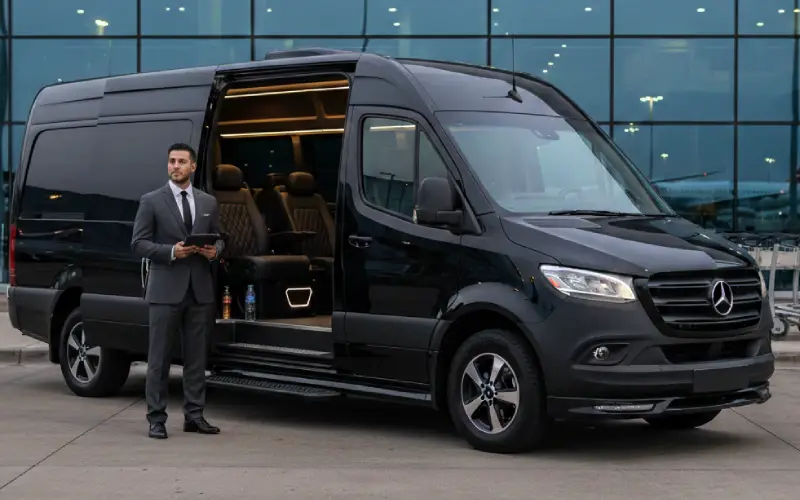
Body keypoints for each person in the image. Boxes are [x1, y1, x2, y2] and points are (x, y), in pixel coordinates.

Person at [131, 143, 225, 439]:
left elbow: (221, 238)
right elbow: (138, 244)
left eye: (182, 161)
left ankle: (194, 415)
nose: (175, 166)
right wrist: (171, 251)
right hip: (164, 290)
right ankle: (156, 418)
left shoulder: (208, 202)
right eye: (171, 161)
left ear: (193, 167)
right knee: (159, 358)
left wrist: (214, 252)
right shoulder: (151, 201)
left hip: (199, 290)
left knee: (197, 358)